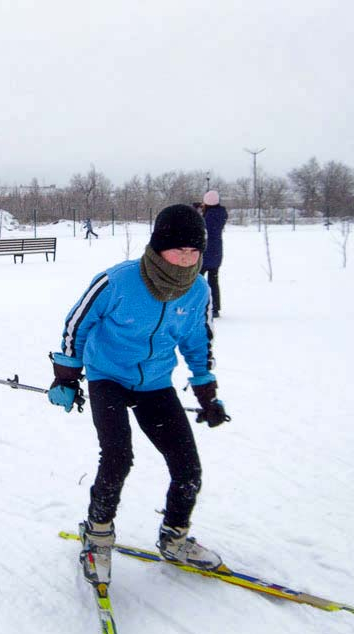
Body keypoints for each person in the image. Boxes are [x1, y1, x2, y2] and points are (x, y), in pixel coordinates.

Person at [48, 204, 228, 585]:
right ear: (158, 246)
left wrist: (207, 392)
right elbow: (77, 322)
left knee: (187, 468)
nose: (186, 258)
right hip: (107, 376)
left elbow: (198, 340)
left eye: (194, 251)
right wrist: (66, 376)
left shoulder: (197, 290)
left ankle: (174, 537)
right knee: (117, 456)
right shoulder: (119, 281)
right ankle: (97, 537)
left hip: (155, 383)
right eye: (178, 249)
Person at [200, 190, 228, 318]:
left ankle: (199, 305)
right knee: (214, 280)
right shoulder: (221, 213)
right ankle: (215, 307)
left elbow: (203, 229)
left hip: (205, 251)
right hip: (216, 251)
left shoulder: (208, 217)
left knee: (198, 281)